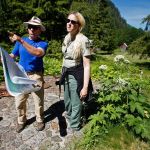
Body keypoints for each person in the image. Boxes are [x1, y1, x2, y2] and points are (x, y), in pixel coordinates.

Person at [9, 16, 48, 133]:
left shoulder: (43, 43)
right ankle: (21, 121)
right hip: (21, 75)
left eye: (35, 27)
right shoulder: (20, 43)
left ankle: (40, 120)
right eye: (30, 27)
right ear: (28, 29)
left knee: (38, 101)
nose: (32, 29)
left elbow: (37, 53)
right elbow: (12, 56)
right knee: (19, 101)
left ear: (40, 30)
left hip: (36, 75)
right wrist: (3, 58)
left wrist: (21, 40)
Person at [60, 12, 93, 133]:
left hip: (76, 74)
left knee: (76, 101)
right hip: (66, 73)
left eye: (73, 22)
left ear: (79, 25)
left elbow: (87, 65)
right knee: (67, 99)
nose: (69, 23)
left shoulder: (84, 40)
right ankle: (70, 116)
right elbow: (65, 57)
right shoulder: (67, 37)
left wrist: (85, 87)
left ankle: (75, 124)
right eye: (68, 20)